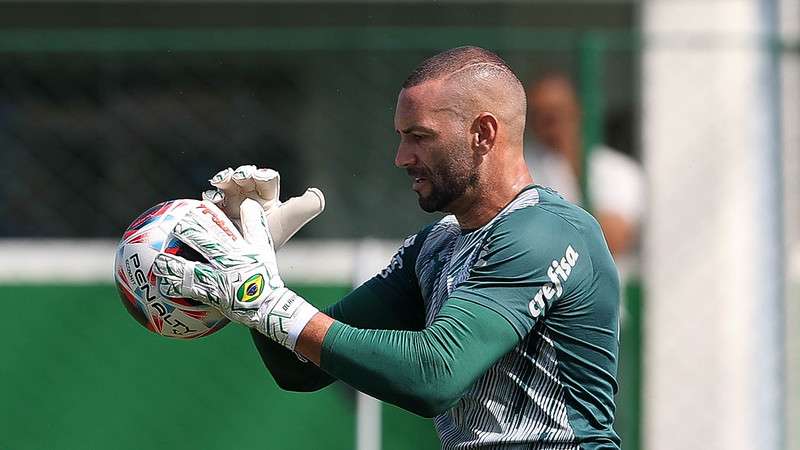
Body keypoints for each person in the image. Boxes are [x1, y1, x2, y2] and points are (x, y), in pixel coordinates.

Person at [153, 46, 621, 449]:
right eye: (401, 138)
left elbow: (435, 376)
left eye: (420, 137)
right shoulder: (435, 247)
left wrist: (267, 302)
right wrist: (259, 265)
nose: (402, 158)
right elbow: (300, 370)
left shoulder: (546, 231)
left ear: (483, 133)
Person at [526, 73, 644, 257]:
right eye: (538, 115)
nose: (547, 123)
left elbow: (612, 240)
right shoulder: (523, 167)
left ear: (576, 111)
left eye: (555, 113)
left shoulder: (618, 170)